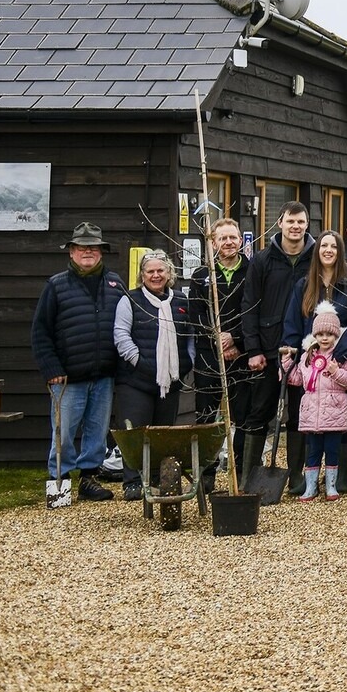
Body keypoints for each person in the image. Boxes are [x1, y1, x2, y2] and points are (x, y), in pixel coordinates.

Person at [33, 222, 127, 507]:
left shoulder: (115, 284)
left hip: (104, 374)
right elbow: (41, 332)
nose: (88, 251)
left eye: (93, 247)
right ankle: (59, 482)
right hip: (67, 378)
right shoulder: (56, 285)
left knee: (97, 432)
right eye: (82, 247)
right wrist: (52, 369)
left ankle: (89, 479)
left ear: (101, 252)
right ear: (71, 252)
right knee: (62, 434)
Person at [281, 230, 347, 495]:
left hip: (341, 360)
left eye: (333, 246)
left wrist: (342, 355)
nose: (328, 250)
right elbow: (293, 321)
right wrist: (291, 353)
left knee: (342, 416)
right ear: (317, 250)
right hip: (310, 362)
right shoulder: (305, 284)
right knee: (305, 417)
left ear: (340, 251)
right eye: (324, 246)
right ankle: (302, 478)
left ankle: (340, 476)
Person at [240, 202, 312, 492]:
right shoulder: (262, 260)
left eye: (301, 222)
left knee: (298, 413)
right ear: (280, 223)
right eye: (291, 221)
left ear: (307, 225)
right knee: (260, 411)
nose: (296, 227)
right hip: (269, 350)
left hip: (304, 350)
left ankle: (296, 475)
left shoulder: (315, 258)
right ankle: (249, 475)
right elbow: (249, 305)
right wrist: (253, 348)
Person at [111, 249, 194, 501]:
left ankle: (159, 478)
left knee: (162, 433)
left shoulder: (181, 302)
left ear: (169, 273)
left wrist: (186, 362)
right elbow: (121, 336)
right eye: (150, 271)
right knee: (135, 432)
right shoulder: (130, 300)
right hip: (136, 380)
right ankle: (133, 482)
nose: (156, 275)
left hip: (170, 381)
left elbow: (190, 336)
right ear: (142, 275)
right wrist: (141, 362)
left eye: (160, 270)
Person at [188, 217, 250, 491]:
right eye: (222, 238)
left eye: (232, 237)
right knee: (206, 415)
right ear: (213, 242)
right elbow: (196, 314)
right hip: (208, 354)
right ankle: (207, 473)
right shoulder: (201, 275)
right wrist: (217, 339)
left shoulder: (252, 271)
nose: (228, 242)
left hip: (241, 352)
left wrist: (234, 339)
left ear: (240, 240)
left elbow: (253, 310)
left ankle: (240, 471)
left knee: (243, 414)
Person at [282, 302, 347, 501]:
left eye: (329, 334)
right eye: (320, 334)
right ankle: (311, 486)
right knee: (313, 451)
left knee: (332, 450)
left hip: (334, 413)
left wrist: (337, 373)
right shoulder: (307, 356)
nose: (324, 338)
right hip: (312, 414)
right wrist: (286, 364)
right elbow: (297, 379)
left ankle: (331, 486)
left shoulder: (343, 356)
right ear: (314, 335)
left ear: (336, 335)